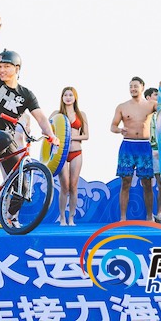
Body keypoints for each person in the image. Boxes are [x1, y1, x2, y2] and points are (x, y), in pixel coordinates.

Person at [0, 15, 59, 228]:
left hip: (7, 143)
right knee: (4, 135)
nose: (1, 70)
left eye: (7, 66)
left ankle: (8, 217)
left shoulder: (26, 95)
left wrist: (51, 135)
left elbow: (40, 117)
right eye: (0, 66)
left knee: (22, 185)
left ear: (17, 68)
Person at [110, 77, 161, 221]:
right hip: (127, 146)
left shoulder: (150, 104)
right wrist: (120, 130)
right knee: (125, 182)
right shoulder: (122, 106)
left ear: (142, 87)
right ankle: (123, 218)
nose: (133, 89)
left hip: (144, 146)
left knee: (147, 183)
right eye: (131, 86)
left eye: (135, 86)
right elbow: (113, 126)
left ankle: (149, 217)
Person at [50, 87, 89, 226]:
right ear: (62, 98)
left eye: (70, 95)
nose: (68, 97)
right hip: (61, 153)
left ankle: (71, 218)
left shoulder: (81, 114)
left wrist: (71, 137)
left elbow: (86, 135)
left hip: (76, 152)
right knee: (64, 186)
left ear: (75, 97)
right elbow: (47, 131)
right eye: (65, 95)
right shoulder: (56, 114)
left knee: (73, 185)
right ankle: (62, 217)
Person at [144, 87, 161, 224]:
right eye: (155, 95)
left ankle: (159, 213)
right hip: (146, 151)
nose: (158, 99)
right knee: (147, 184)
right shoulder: (142, 112)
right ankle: (149, 215)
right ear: (148, 98)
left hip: (159, 152)